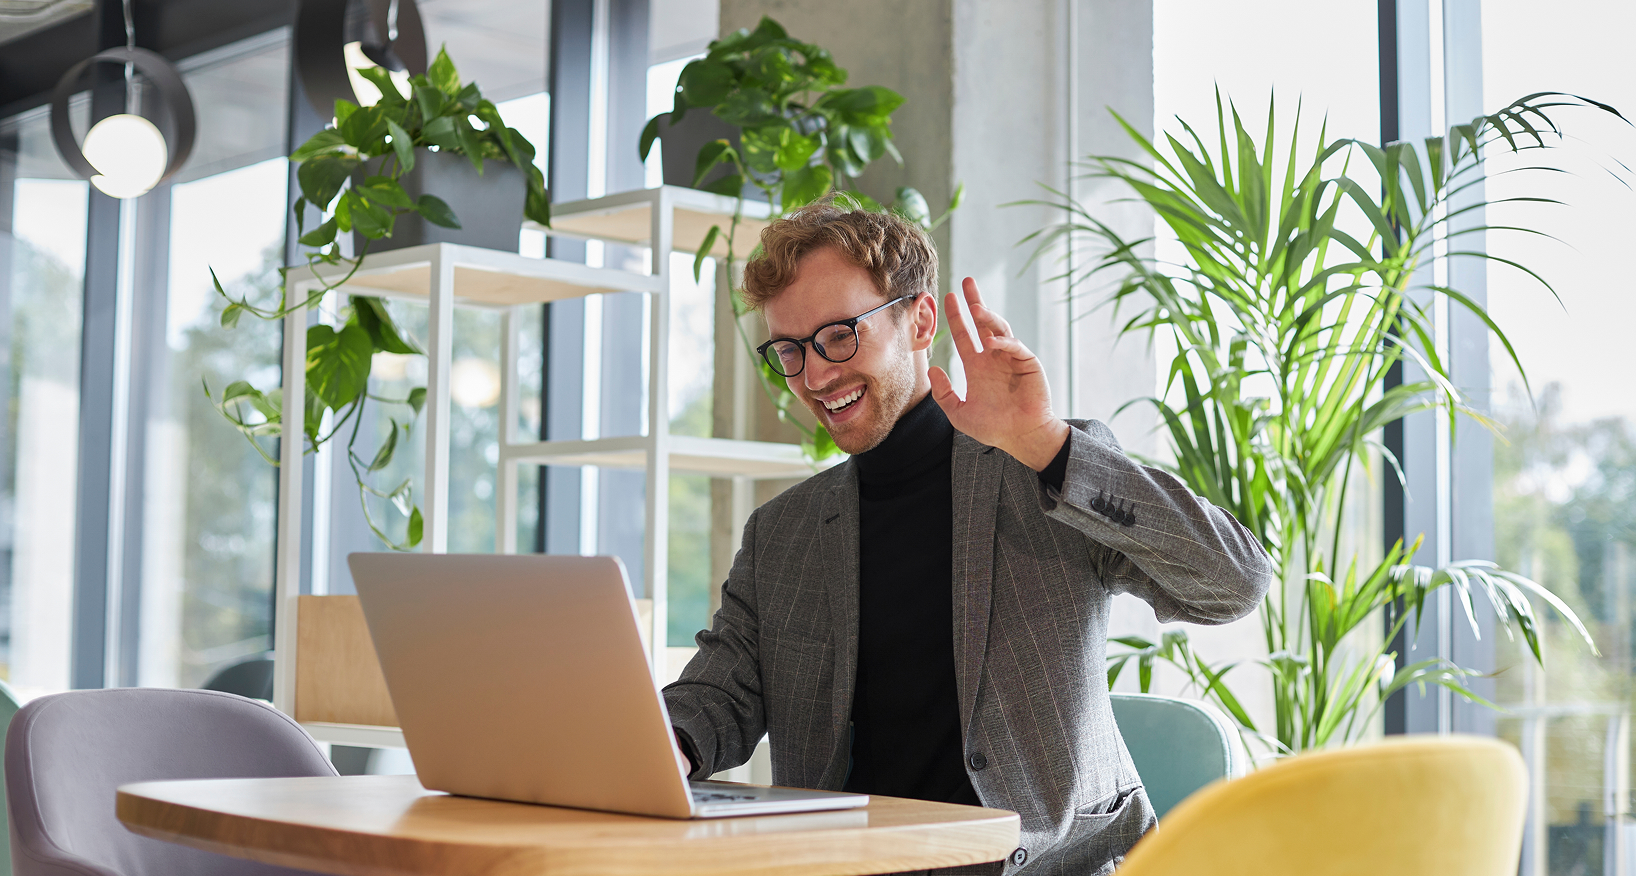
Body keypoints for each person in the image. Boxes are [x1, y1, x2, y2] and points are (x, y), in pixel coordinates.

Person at [662, 204, 1271, 875]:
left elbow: (1233, 584)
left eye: (839, 336)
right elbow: (719, 696)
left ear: (918, 321)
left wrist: (1047, 445)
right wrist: (669, 743)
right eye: (790, 349)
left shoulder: (1046, 473)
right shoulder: (783, 534)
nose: (814, 375)